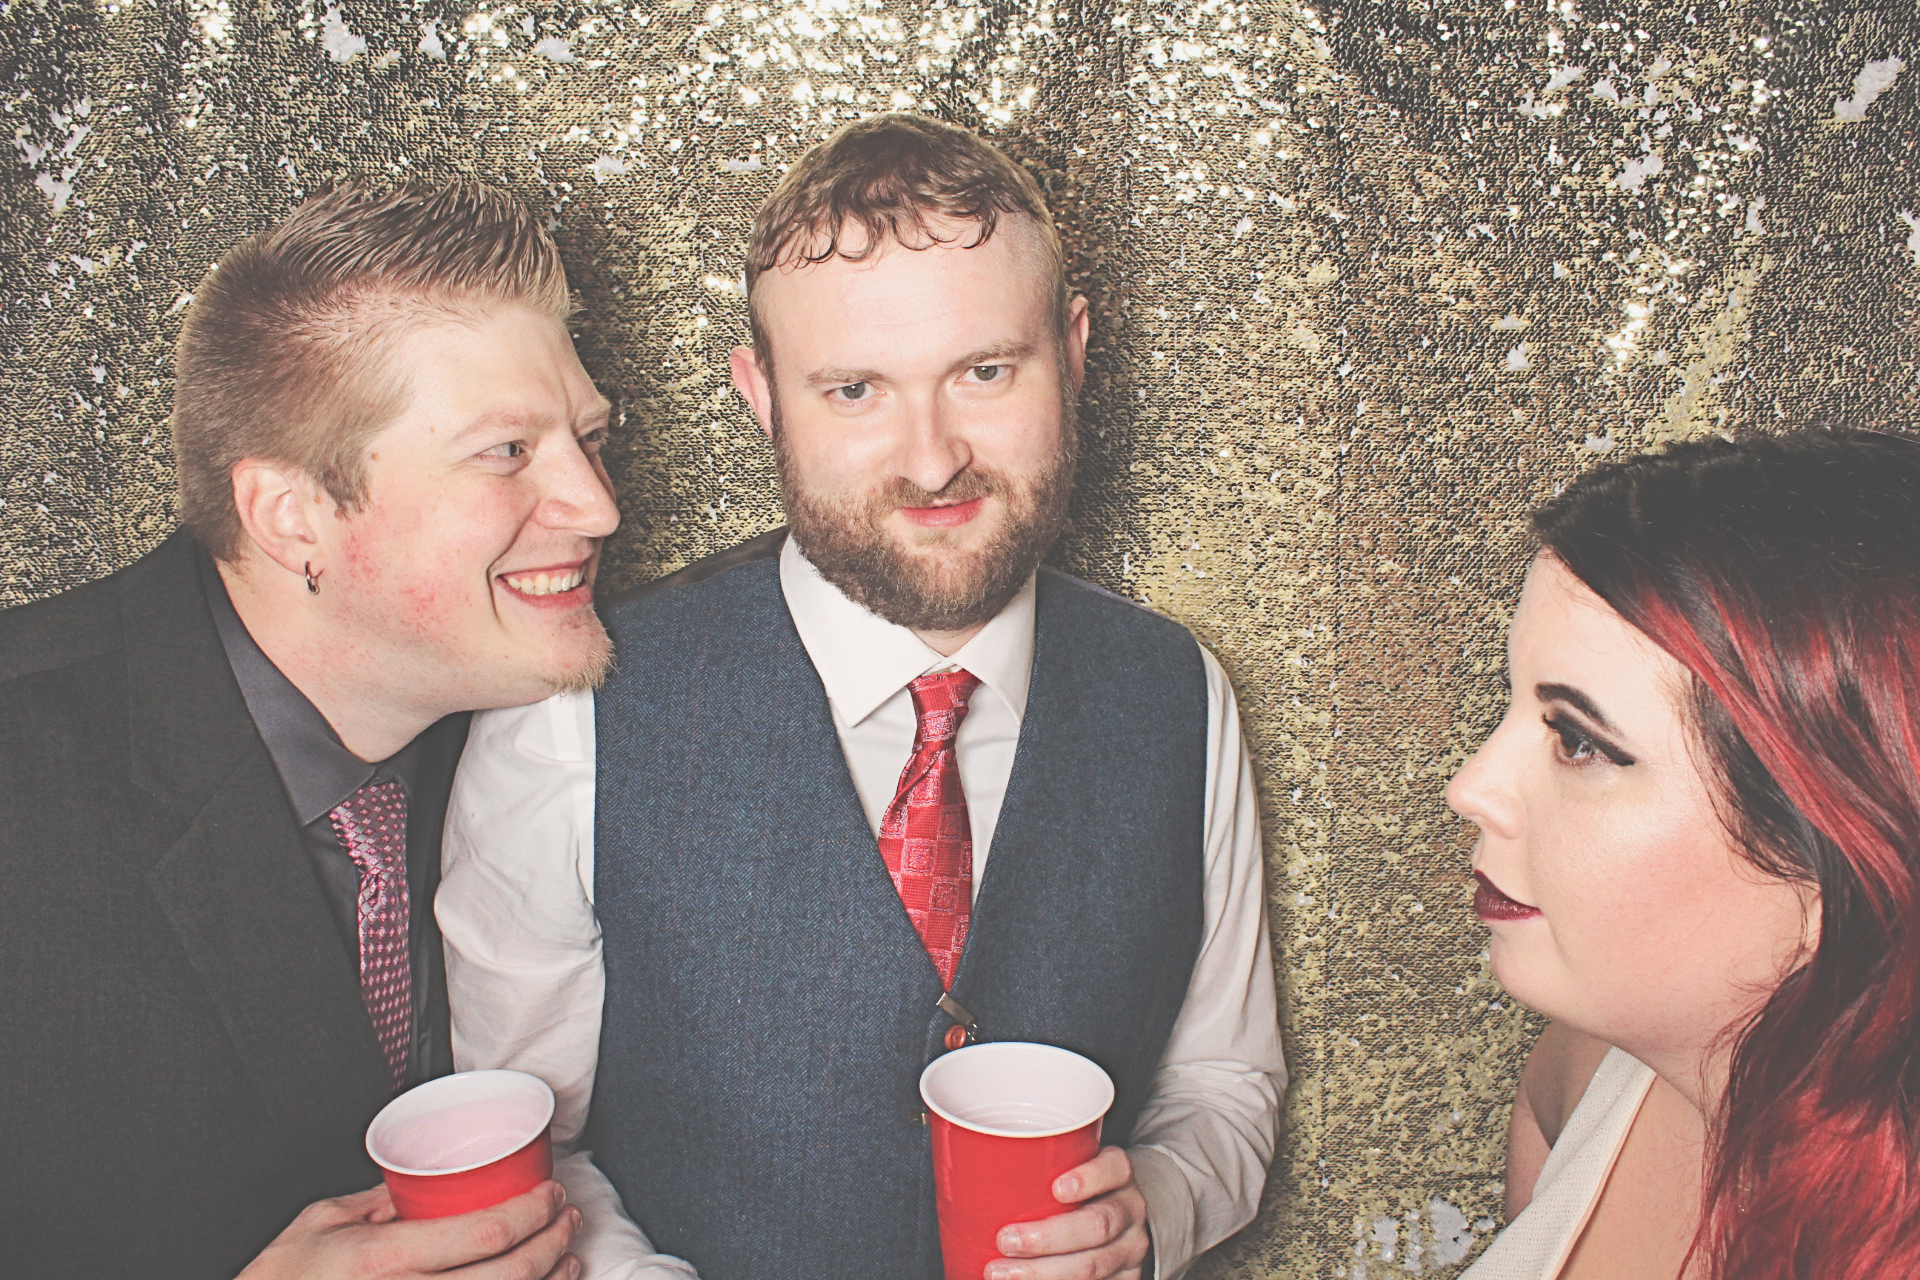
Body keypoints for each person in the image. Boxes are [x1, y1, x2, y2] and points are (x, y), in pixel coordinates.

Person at [439, 113, 1286, 1280]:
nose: (932, 459)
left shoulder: (1179, 693)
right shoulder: (570, 708)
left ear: (1075, 350)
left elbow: (1225, 1081)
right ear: (762, 395)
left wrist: (1158, 1206)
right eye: (853, 390)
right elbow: (528, 1146)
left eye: (985, 372)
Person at [0, 181, 620, 1278]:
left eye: (589, 437)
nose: (598, 505)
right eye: (506, 451)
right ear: (292, 519)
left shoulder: (547, 740)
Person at [1447, 430, 1920, 1279]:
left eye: (1580, 741)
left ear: (1844, 869)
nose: (1470, 788)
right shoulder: (1588, 1063)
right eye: (1510, 704)